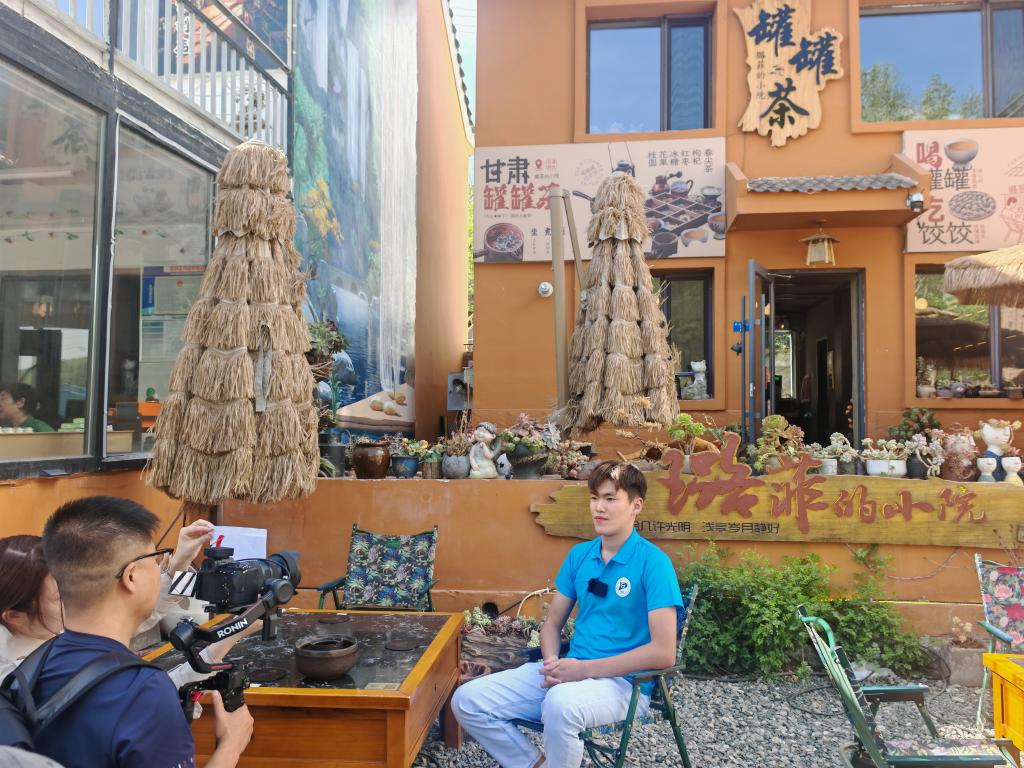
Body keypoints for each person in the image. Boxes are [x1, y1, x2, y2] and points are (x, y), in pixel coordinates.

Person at [452, 460, 682, 768]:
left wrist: (583, 670)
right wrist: (551, 664)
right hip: (570, 672)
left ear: (636, 506)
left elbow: (663, 653)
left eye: (610, 498)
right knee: (467, 700)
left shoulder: (654, 564)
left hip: (625, 684)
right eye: (594, 497)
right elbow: (552, 625)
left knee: (560, 705)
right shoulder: (580, 556)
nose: (599, 507)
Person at [35, 496, 253, 768]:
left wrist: (180, 561)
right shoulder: (145, 693)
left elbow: (158, 602)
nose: (159, 566)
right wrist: (231, 746)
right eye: (155, 558)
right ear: (131, 576)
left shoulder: (33, 666)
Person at [0, 525, 255, 682]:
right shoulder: (20, 679)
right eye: (60, 597)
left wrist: (180, 562)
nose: (76, 599)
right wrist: (230, 636)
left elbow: (143, 610)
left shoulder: (57, 627)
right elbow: (152, 697)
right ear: (13, 616)